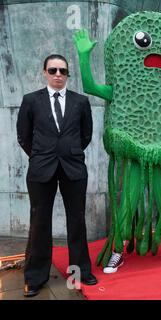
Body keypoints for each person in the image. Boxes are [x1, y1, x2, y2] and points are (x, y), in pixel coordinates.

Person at [16, 54, 97, 297]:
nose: (58, 74)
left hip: (73, 167)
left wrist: (68, 153)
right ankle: (35, 276)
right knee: (39, 222)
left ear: (68, 74)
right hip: (41, 169)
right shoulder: (31, 100)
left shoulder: (80, 102)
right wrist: (41, 154)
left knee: (77, 220)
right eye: (53, 70)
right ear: (45, 73)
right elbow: (24, 136)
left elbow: (86, 135)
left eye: (63, 70)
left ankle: (81, 271)